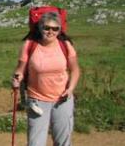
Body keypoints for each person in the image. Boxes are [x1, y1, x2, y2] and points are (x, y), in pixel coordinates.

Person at [12, 12, 80, 146]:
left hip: (63, 99)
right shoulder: (30, 44)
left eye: (55, 29)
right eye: (47, 28)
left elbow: (75, 70)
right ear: (40, 28)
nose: (51, 32)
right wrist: (17, 78)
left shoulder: (65, 45)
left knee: (63, 142)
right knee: (35, 143)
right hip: (37, 100)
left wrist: (70, 89)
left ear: (60, 30)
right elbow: (20, 69)